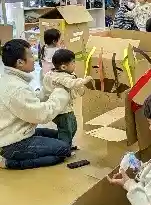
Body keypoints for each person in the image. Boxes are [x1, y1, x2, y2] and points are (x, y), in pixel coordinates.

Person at [0, 39, 72, 170]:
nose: (34, 59)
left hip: (16, 130)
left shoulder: (10, 79)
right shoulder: (17, 89)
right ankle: (9, 162)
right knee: (64, 149)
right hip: (12, 142)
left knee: (62, 135)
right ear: (20, 62)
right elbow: (41, 115)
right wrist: (61, 92)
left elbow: (30, 102)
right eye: (30, 55)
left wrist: (47, 91)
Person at [41, 49, 91, 146]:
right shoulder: (60, 77)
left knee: (73, 126)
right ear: (63, 67)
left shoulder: (54, 74)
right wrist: (85, 80)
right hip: (62, 111)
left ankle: (66, 144)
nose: (75, 64)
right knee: (67, 129)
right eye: (73, 62)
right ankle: (64, 148)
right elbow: (72, 83)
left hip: (64, 108)